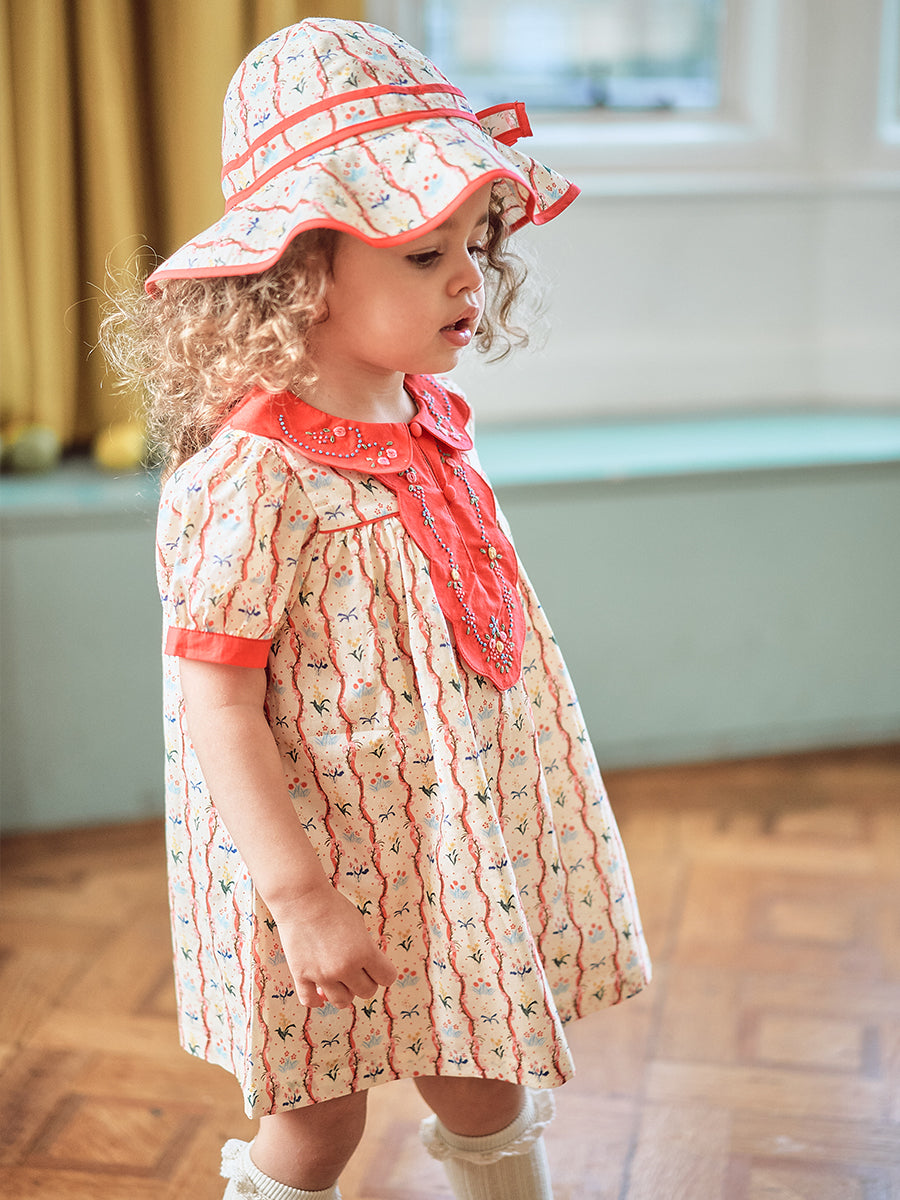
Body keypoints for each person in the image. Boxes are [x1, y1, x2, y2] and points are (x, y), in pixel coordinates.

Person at [103, 18, 651, 1200]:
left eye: (474, 243)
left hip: (444, 843)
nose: (468, 279)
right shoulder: (255, 476)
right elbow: (217, 705)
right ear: (303, 272)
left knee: (487, 1083)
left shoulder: (427, 418)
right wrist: (301, 899)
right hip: (314, 857)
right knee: (317, 1127)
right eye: (422, 253)